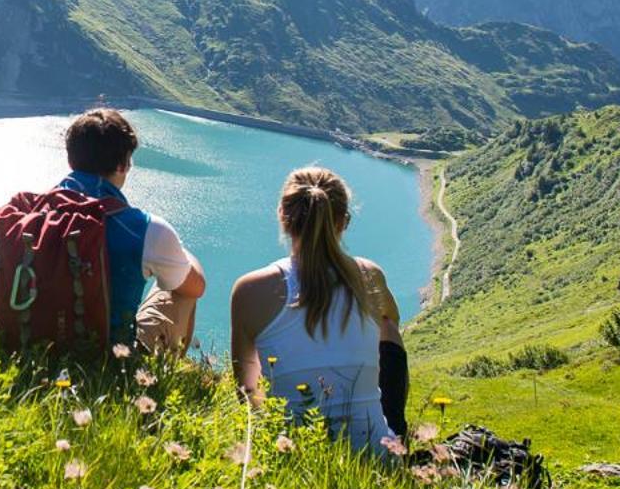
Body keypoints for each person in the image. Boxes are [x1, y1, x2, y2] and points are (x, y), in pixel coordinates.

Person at [229, 166, 408, 450]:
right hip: (376, 455)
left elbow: (248, 390)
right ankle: (398, 437)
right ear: (344, 222)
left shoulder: (251, 289)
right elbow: (391, 324)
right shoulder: (369, 275)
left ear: (282, 216)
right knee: (386, 328)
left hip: (291, 450)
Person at [58, 108, 206, 354]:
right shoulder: (145, 228)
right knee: (182, 287)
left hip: (31, 336)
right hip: (107, 356)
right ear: (123, 165)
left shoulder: (34, 210)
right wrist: (183, 253)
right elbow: (195, 288)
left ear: (71, 159)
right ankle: (161, 375)